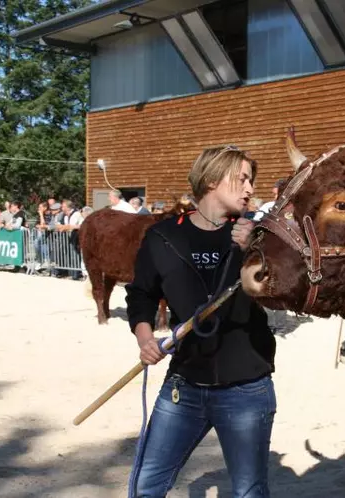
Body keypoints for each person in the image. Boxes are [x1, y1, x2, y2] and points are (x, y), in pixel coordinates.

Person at [125, 145, 276, 498]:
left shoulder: (259, 235)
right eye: (241, 179)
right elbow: (141, 294)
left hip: (246, 388)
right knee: (145, 486)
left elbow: (281, 292)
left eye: (251, 181)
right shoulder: (163, 236)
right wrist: (145, 338)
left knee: (248, 493)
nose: (250, 189)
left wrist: (255, 249)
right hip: (185, 383)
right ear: (210, 179)